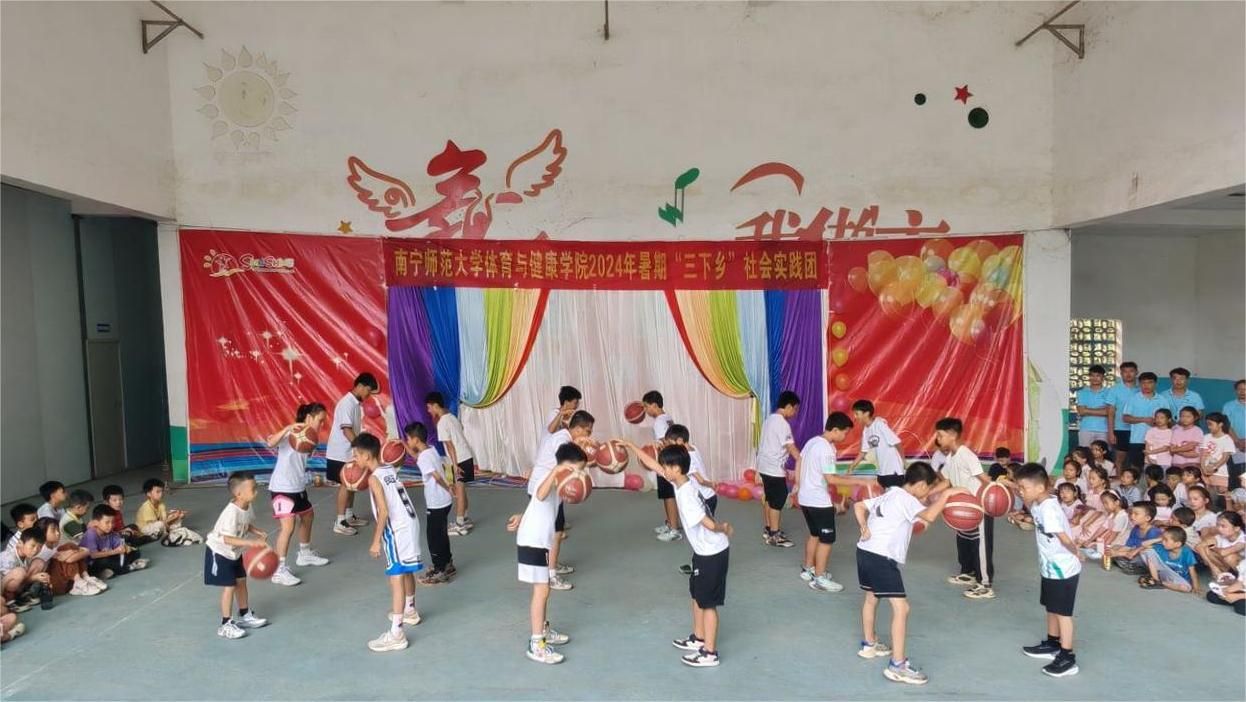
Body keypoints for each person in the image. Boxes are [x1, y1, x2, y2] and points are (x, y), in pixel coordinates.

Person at [854, 462, 967, 685]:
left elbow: (859, 506)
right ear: (922, 484)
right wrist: (946, 495)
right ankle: (898, 666)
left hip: (864, 551)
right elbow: (929, 516)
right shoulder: (906, 499)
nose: (927, 493)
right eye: (928, 488)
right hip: (881, 557)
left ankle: (869, 645)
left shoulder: (891, 494)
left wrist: (863, 526)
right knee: (902, 608)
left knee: (871, 598)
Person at [508, 443, 587, 665]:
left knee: (544, 590)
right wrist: (556, 470)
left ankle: (543, 629)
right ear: (565, 465)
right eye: (579, 468)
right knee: (541, 591)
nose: (580, 474)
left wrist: (522, 516)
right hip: (533, 540)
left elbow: (537, 504)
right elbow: (541, 494)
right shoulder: (550, 478)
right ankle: (537, 644)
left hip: (540, 540)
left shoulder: (561, 484)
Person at [662, 444, 733, 667]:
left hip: (712, 553)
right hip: (702, 551)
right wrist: (632, 447)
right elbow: (654, 466)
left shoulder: (686, 495)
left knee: (708, 604)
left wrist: (723, 528)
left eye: (666, 467)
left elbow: (709, 524)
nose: (663, 470)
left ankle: (710, 653)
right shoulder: (683, 481)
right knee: (696, 595)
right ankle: (698, 638)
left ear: (676, 468)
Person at [359, 432, 425, 652]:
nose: (354, 460)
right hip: (410, 522)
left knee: (395, 578)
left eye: (356, 455)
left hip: (396, 530)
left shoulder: (373, 478)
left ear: (366, 456)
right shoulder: (388, 468)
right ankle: (410, 610)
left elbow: (384, 511)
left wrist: (376, 541)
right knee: (406, 571)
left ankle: (397, 634)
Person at [1014, 462, 1081, 677]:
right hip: (1050, 566)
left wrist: (1077, 552)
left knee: (1063, 613)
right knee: (1051, 607)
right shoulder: (1039, 502)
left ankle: (1068, 657)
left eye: (1023, 488)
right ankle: (1052, 643)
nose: (1021, 491)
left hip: (1063, 568)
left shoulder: (1049, 509)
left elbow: (1063, 537)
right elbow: (1033, 511)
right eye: (1019, 487)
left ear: (1040, 487)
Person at [266, 403, 332, 587]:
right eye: (320, 420)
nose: (322, 424)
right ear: (309, 417)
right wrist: (288, 427)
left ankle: (304, 554)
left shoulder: (311, 437)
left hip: (297, 486)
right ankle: (279, 571)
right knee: (288, 527)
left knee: (308, 515)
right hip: (282, 487)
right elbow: (270, 443)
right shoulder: (290, 433)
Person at [528, 410, 595, 591]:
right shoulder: (562, 439)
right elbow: (565, 460)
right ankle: (550, 576)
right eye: (587, 431)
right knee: (554, 533)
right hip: (543, 490)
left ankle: (553, 565)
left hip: (552, 490)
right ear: (578, 429)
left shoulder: (566, 438)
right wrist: (582, 447)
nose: (589, 435)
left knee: (556, 531)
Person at [793, 412, 855, 592]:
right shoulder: (827, 449)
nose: (845, 437)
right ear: (835, 430)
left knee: (814, 534)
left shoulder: (812, 441)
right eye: (844, 433)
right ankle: (819, 578)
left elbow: (800, 461)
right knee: (827, 540)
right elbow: (831, 479)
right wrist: (861, 481)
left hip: (805, 498)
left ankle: (808, 569)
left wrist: (798, 484)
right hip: (819, 501)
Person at [204, 472, 270, 639]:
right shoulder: (231, 513)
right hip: (220, 552)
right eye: (253, 489)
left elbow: (246, 524)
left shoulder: (247, 505)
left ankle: (244, 614)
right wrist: (251, 543)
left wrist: (257, 531)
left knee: (241, 582)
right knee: (230, 586)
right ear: (239, 494)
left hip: (235, 552)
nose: (256, 491)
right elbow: (226, 538)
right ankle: (225, 624)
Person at [934, 417, 993, 599]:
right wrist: (926, 494)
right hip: (963, 508)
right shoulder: (950, 457)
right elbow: (946, 482)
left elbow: (984, 480)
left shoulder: (966, 455)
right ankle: (968, 572)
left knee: (980, 544)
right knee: (964, 540)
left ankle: (985, 584)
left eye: (940, 435)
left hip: (978, 507)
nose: (938, 439)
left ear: (952, 435)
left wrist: (994, 497)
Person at [403, 422, 456, 585]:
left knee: (433, 537)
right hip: (444, 501)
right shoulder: (431, 449)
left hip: (436, 502)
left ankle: (439, 570)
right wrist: (404, 445)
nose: (408, 441)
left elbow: (437, 477)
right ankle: (447, 564)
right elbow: (419, 458)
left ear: (416, 440)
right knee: (441, 533)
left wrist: (448, 488)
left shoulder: (424, 458)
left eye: (408, 439)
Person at [326, 373, 378, 536]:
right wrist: (360, 449)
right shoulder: (346, 403)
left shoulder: (355, 404)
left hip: (350, 452)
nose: (368, 395)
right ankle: (340, 521)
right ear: (360, 386)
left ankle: (349, 516)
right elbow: (346, 429)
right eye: (368, 390)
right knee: (345, 484)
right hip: (339, 453)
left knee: (352, 482)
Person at [755, 391, 802, 548]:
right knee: (778, 500)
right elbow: (790, 447)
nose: (795, 413)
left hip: (764, 466)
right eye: (795, 409)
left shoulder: (769, 420)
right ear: (788, 406)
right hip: (773, 468)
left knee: (770, 498)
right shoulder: (782, 424)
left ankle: (769, 529)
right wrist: (801, 459)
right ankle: (774, 535)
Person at [425, 392, 476, 531]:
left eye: (429, 407)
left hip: (459, 460)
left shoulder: (442, 423)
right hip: (466, 456)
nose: (428, 411)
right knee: (462, 490)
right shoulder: (452, 417)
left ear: (435, 405)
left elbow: (450, 446)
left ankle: (460, 525)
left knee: (459, 491)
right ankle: (465, 519)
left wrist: (454, 466)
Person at [643, 390, 681, 542]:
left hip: (666, 463)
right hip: (671, 461)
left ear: (654, 405)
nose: (645, 410)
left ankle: (674, 530)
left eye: (646, 406)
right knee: (668, 495)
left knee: (669, 496)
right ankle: (671, 523)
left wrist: (651, 454)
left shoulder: (659, 421)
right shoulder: (667, 417)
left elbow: (664, 444)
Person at [35, 517, 102, 597]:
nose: (57, 533)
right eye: (53, 530)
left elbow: (86, 551)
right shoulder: (43, 550)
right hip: (53, 585)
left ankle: (85, 577)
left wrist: (76, 551)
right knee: (67, 547)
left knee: (70, 546)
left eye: (58, 529)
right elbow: (70, 560)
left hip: (65, 582)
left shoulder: (54, 547)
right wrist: (77, 551)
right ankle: (79, 582)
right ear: (43, 533)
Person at [849, 400, 906, 488]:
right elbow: (863, 451)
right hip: (881, 472)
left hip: (893, 471)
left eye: (857, 414)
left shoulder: (879, 424)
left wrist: (903, 461)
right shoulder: (866, 430)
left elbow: (897, 442)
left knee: (895, 495)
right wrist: (852, 466)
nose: (855, 417)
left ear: (866, 413)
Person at [82, 505, 148, 579]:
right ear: (96, 522)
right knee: (104, 561)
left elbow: (119, 544)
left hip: (109, 556)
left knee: (136, 552)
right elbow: (93, 555)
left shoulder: (110, 532)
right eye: (107, 522)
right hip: (93, 563)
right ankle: (128, 567)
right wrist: (115, 552)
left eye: (112, 522)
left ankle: (109, 570)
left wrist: (124, 548)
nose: (110, 525)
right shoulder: (91, 534)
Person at [135, 478, 202, 546]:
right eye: (158, 492)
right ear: (149, 494)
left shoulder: (161, 504)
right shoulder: (146, 507)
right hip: (144, 530)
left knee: (176, 514)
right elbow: (157, 524)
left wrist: (178, 515)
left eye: (162, 491)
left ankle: (167, 532)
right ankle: (165, 533)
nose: (161, 494)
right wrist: (174, 517)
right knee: (160, 524)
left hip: (158, 524)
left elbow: (164, 519)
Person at [1122, 372, 1167, 469]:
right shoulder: (1133, 399)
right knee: (1136, 467)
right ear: (1139, 384)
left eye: (1150, 382)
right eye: (1143, 383)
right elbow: (1125, 418)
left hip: (1157, 441)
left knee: (1155, 468)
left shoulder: (1162, 400)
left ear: (1155, 384)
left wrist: (1156, 422)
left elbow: (1168, 420)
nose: (1146, 385)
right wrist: (1144, 419)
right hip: (1137, 439)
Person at [1139, 527, 1199, 595]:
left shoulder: (1187, 552)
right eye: (1163, 539)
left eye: (1166, 540)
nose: (1163, 542)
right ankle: (1155, 580)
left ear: (1177, 544)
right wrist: (1161, 538)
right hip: (1164, 572)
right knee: (1148, 552)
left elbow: (1192, 571)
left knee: (1186, 588)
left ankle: (1159, 582)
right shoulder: (1161, 547)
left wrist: (1196, 586)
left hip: (1177, 577)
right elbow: (1144, 544)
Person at [1107, 501, 1162, 574]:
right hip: (1134, 552)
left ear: (1147, 518)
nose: (1132, 516)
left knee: (1140, 556)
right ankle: (1127, 564)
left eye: (1136, 514)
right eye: (1131, 513)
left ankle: (1136, 567)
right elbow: (1128, 546)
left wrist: (1119, 553)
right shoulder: (1135, 528)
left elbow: (1145, 551)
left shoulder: (1153, 532)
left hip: (1146, 556)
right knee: (1115, 547)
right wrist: (1115, 552)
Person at [0, 529, 49, 609]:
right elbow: (4, 581)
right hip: (3, 588)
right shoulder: (9, 557)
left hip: (18, 587)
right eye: (32, 545)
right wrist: (33, 578)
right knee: (20, 572)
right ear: (20, 543)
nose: (35, 550)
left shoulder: (27, 556)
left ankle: (24, 595)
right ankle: (10, 601)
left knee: (39, 562)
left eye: (39, 547)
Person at [1105, 361, 1140, 466]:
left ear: (1136, 372)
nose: (1128, 374)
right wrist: (1111, 432)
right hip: (1120, 429)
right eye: (1125, 371)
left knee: (1137, 459)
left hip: (1138, 430)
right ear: (1121, 373)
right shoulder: (1114, 390)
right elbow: (1110, 413)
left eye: (1131, 371)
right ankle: (1119, 476)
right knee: (1120, 459)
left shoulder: (1141, 389)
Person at [1195, 512, 1245, 580]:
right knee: (1207, 550)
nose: (1219, 529)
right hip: (1229, 567)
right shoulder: (1221, 536)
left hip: (1243, 568)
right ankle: (1226, 575)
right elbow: (1198, 546)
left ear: (1236, 528)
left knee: (1230, 557)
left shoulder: (1243, 539)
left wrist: (1215, 548)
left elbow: (1223, 552)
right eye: (1217, 525)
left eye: (1223, 526)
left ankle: (1241, 579)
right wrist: (1213, 567)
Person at [1075, 365, 1112, 447]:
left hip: (1104, 430)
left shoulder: (1109, 392)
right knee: (1085, 453)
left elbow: (1109, 412)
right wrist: (1101, 410)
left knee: (1102, 453)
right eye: (1092, 375)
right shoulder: (1082, 392)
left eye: (1098, 375)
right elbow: (1081, 411)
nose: (1095, 378)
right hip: (1086, 428)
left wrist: (1087, 410)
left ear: (1103, 377)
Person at [1199, 412, 1236, 493]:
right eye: (1207, 424)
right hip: (1205, 472)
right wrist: (1203, 468)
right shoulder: (1206, 437)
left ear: (1220, 424)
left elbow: (1225, 458)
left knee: (1221, 495)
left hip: (1220, 473)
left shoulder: (1227, 439)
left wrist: (1214, 468)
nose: (1208, 427)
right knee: (1207, 493)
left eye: (1210, 424)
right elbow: (1203, 455)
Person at [1222, 379, 1246, 493]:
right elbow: (1226, 425)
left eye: (1245, 389)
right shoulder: (1229, 406)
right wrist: (1237, 441)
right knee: (1234, 474)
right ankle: (1234, 499)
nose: (1242, 391)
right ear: (1235, 391)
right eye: (1239, 389)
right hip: (1233, 444)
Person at [1168, 407, 1204, 474]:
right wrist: (1185, 451)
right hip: (1177, 462)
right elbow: (1171, 448)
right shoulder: (1176, 431)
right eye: (1182, 416)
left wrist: (1176, 450)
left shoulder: (1197, 431)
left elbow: (1190, 447)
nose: (1185, 419)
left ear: (1195, 418)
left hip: (1192, 463)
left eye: (1188, 417)